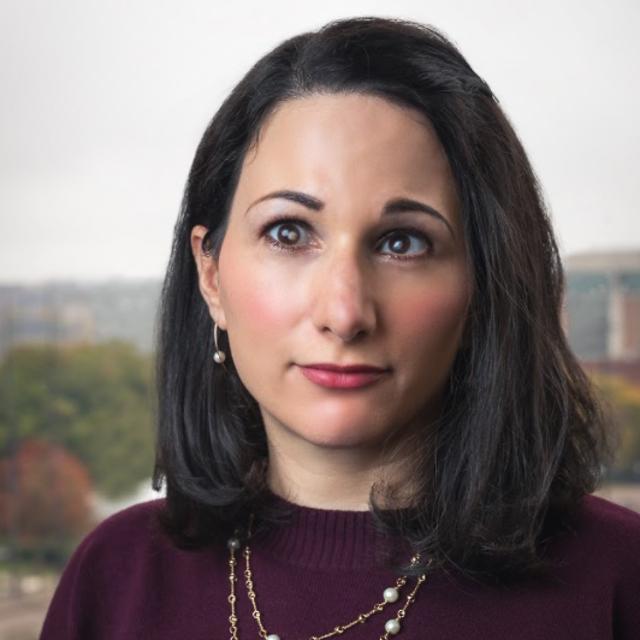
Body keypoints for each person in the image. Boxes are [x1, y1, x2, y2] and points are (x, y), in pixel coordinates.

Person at [40, 16, 640, 640]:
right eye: (289, 233)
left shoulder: (620, 583)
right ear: (211, 275)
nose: (345, 313)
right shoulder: (113, 583)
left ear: (484, 284)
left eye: (402, 242)